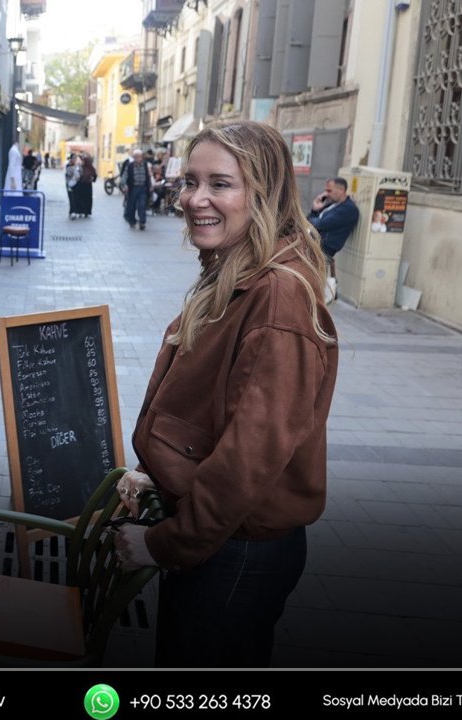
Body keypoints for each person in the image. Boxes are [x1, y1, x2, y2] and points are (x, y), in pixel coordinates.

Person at [113, 121, 338, 668]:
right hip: (224, 540)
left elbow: (249, 458)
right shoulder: (240, 271)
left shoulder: (278, 295)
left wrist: (165, 544)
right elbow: (215, 414)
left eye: (220, 184)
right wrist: (161, 471)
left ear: (265, 193)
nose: (195, 199)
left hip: (236, 550)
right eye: (190, 182)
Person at [308, 176, 359, 303]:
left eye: (329, 191)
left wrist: (313, 221)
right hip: (313, 242)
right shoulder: (332, 204)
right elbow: (310, 220)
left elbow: (320, 224)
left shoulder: (348, 209)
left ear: (341, 190)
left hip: (324, 247)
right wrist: (315, 210)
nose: (326, 194)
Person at [120, 148, 152, 229]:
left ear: (141, 157)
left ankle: (142, 222)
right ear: (133, 157)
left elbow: (148, 176)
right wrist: (124, 185)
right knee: (132, 206)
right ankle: (132, 221)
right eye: (136, 156)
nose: (137, 158)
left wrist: (150, 185)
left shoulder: (145, 165)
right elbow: (124, 176)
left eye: (139, 156)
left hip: (143, 188)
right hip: (133, 188)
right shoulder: (130, 166)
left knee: (142, 205)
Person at [72, 154, 97, 219]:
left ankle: (87, 212)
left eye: (83, 161)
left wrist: (92, 179)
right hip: (81, 185)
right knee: (82, 199)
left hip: (88, 185)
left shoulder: (91, 168)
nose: (82, 162)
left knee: (88, 199)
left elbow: (95, 175)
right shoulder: (81, 168)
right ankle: (82, 211)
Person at [65, 154, 83, 219]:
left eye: (75, 158)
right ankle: (72, 212)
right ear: (71, 159)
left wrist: (78, 169)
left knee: (76, 198)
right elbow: (69, 173)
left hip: (77, 184)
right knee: (71, 198)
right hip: (70, 184)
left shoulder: (78, 166)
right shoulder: (68, 165)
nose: (74, 160)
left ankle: (75, 211)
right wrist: (74, 170)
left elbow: (81, 172)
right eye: (73, 158)